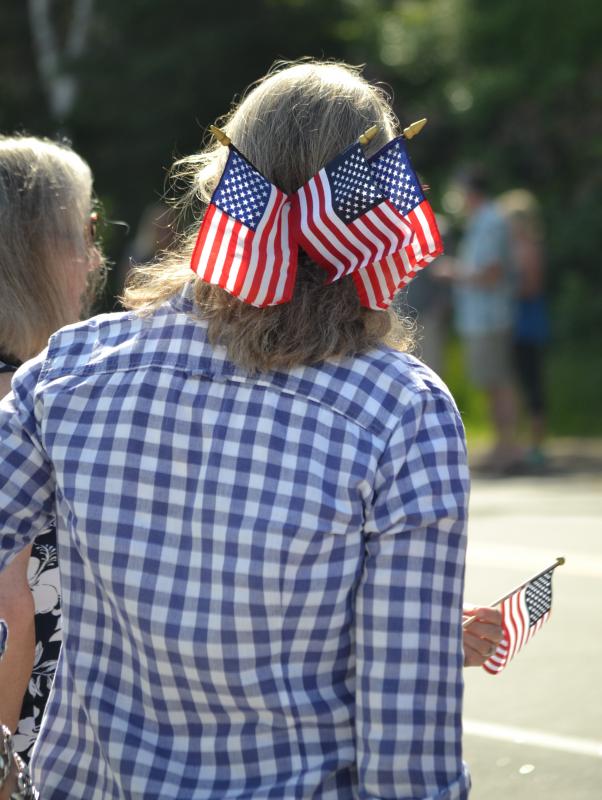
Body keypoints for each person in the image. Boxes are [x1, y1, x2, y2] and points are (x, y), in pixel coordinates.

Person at [1, 61, 495, 799]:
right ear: (381, 208)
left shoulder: (73, 366)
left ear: (221, 182)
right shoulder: (403, 412)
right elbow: (408, 747)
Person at [0, 135, 104, 772]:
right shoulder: (23, 404)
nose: (95, 259)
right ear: (36, 248)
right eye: (83, 232)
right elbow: (8, 608)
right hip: (26, 746)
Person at [444, 166, 522, 473]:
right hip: (482, 319)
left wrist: (454, 272)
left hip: (489, 318)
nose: (458, 199)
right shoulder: (483, 220)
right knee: (493, 382)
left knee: (498, 381)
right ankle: (503, 446)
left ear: (471, 192)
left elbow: (491, 273)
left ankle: (508, 447)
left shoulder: (489, 221)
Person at [498, 189, 549, 468]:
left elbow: (531, 286)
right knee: (515, 383)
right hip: (515, 323)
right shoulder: (515, 247)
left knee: (532, 383)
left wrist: (505, 289)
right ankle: (518, 444)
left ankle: (537, 445)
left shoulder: (529, 247)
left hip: (528, 323)